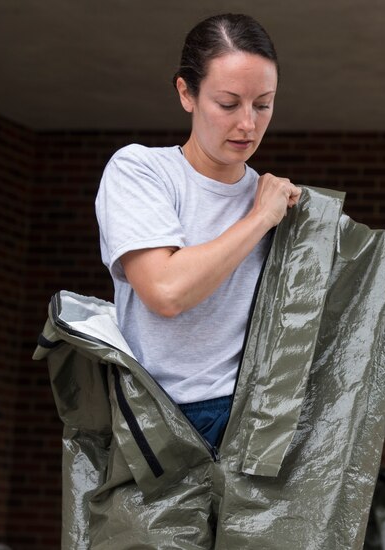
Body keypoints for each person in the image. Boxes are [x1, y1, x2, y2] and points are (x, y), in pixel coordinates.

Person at [95, 13, 301, 453]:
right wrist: (259, 220)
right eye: (228, 104)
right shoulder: (142, 172)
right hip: (157, 419)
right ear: (186, 93)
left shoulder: (278, 202)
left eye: (262, 104)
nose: (247, 124)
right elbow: (166, 290)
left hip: (255, 421)